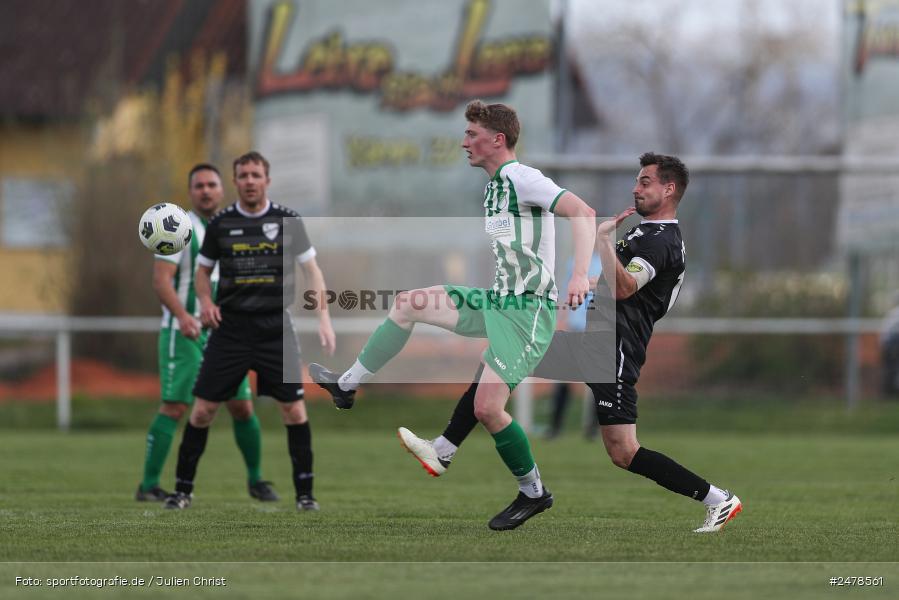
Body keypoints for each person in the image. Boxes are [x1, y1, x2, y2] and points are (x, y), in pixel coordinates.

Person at [397, 153, 743, 533]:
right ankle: (447, 451)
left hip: (615, 351)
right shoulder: (647, 234)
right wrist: (585, 284)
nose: (636, 187)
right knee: (502, 353)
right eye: (637, 180)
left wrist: (601, 241)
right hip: (594, 344)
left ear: (669, 188)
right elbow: (624, 284)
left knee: (623, 452)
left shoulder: (661, 240)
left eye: (645, 182)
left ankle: (718, 499)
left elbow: (627, 287)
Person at [311, 99, 596, 531]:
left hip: (527, 312)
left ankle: (534, 492)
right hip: (497, 301)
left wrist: (578, 276)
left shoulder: (523, 178)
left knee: (488, 408)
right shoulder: (493, 187)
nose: (464, 142)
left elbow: (583, 212)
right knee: (409, 303)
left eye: (472, 135)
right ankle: (347, 387)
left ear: (497, 140)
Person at [164, 151, 336, 512]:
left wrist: (323, 317)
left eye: (256, 175)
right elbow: (201, 273)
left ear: (267, 180)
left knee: (294, 411)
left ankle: (305, 495)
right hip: (231, 330)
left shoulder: (288, 219)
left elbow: (313, 271)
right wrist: (206, 302)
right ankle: (182, 491)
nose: (250, 181)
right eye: (243, 175)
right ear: (236, 181)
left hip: (276, 328)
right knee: (203, 411)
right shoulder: (221, 224)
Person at [136, 164, 276, 503]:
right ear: (191, 192)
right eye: (198, 185)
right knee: (175, 406)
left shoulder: (232, 226)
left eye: (211, 184)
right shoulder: (176, 226)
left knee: (242, 406)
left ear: (221, 189)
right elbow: (161, 281)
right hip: (182, 333)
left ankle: (256, 480)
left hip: (225, 335)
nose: (205, 190)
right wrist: (184, 316)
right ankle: (149, 484)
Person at [545, 254, 602, 440]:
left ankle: (593, 429)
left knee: (598, 382)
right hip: (576, 329)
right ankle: (555, 428)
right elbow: (566, 295)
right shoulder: (574, 262)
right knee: (564, 379)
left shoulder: (608, 262)